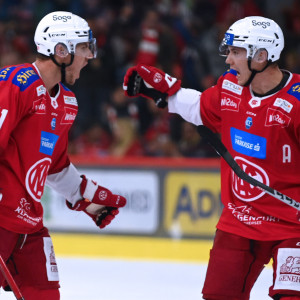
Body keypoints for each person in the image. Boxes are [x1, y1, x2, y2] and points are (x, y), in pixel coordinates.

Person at [123, 16, 300, 300]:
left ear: (262, 56)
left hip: (294, 225)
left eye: (236, 52)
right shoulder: (230, 86)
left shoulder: (296, 104)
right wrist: (160, 91)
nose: (228, 60)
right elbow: (200, 107)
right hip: (240, 220)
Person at [0, 11, 127, 300]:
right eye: (83, 48)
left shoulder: (67, 103)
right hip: (1, 218)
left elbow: (54, 168)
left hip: (28, 223)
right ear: (61, 51)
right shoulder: (16, 83)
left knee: (46, 295)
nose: (89, 56)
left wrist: (87, 198)